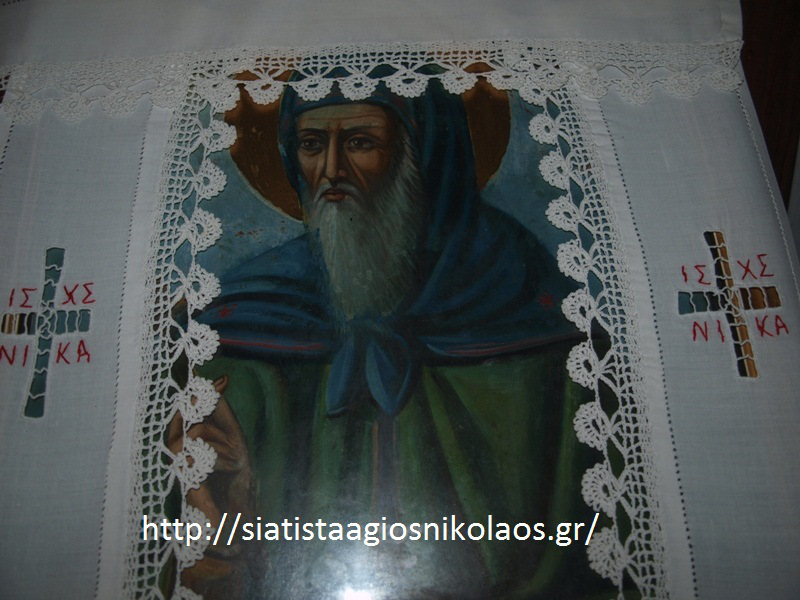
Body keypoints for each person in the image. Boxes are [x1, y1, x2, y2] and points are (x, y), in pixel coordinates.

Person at [173, 76, 609, 599]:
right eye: (311, 144)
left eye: (360, 142)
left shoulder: (532, 314)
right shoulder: (246, 325)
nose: (331, 170)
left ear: (424, 157)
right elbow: (207, 558)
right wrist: (218, 527)